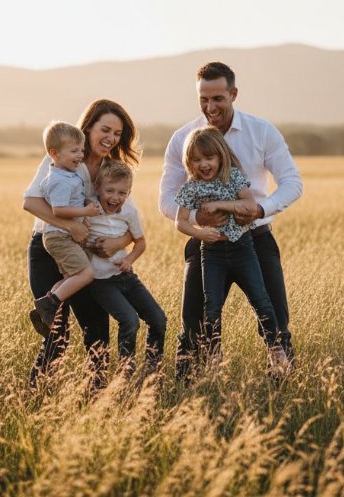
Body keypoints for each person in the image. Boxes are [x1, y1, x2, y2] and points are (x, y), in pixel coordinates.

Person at [158, 61, 303, 379]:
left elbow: (293, 183)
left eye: (218, 98)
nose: (210, 107)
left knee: (275, 320)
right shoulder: (183, 138)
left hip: (256, 238)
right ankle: (189, 390)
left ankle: (282, 390)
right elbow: (166, 199)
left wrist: (262, 210)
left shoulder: (261, 131)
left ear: (233, 93)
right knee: (194, 326)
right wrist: (199, 218)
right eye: (203, 99)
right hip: (205, 244)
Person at [23, 99, 141, 387]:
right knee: (57, 334)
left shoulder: (113, 170)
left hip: (88, 254)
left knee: (98, 333)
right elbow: (30, 202)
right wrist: (71, 226)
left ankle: (96, 399)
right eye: (105, 129)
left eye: (117, 133)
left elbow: (129, 221)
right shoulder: (63, 155)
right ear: (88, 128)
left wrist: (118, 243)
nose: (111, 138)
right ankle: (35, 397)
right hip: (48, 247)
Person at [174, 127, 288, 372]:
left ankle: (275, 348)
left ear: (221, 156)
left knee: (261, 299)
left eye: (209, 158)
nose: (204, 164)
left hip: (243, 248)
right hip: (212, 252)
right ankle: (214, 353)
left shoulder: (233, 177)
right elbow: (180, 222)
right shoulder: (191, 188)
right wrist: (200, 232)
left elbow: (249, 204)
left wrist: (218, 205)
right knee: (211, 305)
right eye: (197, 160)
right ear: (189, 162)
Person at [85, 159, 166, 377]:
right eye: (109, 190)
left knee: (158, 319)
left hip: (126, 276)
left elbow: (141, 242)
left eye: (122, 193)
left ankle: (151, 370)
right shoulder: (89, 208)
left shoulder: (129, 211)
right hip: (101, 282)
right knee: (129, 320)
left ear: (128, 194)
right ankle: (125, 373)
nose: (115, 197)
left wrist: (128, 260)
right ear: (98, 188)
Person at [30, 121, 101, 330]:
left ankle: (44, 307)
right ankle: (48, 305)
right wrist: (85, 212)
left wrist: (84, 203)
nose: (80, 155)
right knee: (85, 274)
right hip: (59, 236)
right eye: (74, 151)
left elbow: (69, 201)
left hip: (62, 236)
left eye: (81, 150)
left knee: (71, 276)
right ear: (54, 153)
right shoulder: (59, 179)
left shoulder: (68, 174)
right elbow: (58, 210)